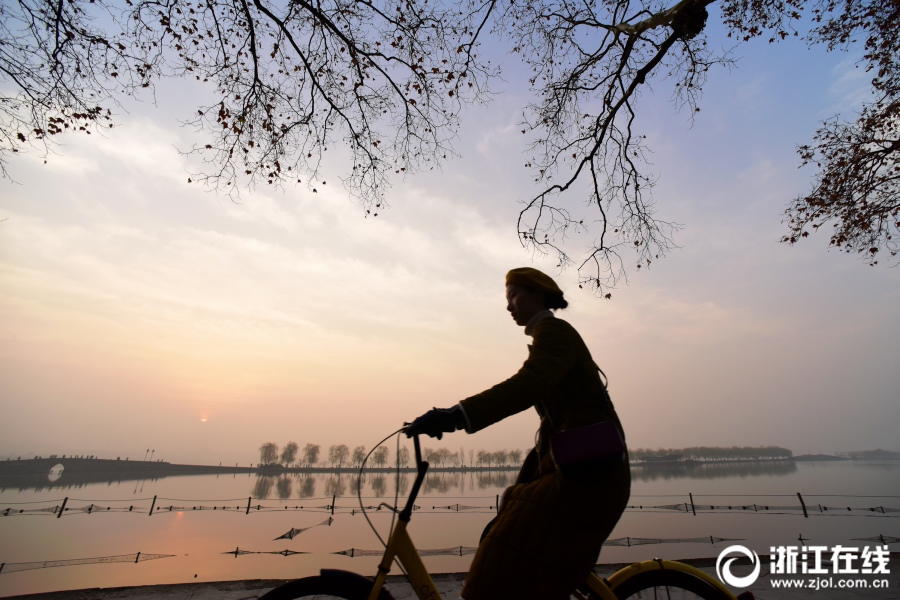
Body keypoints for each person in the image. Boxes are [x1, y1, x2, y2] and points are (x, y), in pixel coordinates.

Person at [405, 267, 631, 600]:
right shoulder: (549, 336)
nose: (509, 306)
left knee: (501, 557)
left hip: (590, 476)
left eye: (514, 296)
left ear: (537, 295)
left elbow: (528, 385)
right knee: (505, 538)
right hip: (579, 470)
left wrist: (456, 415)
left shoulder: (555, 332)